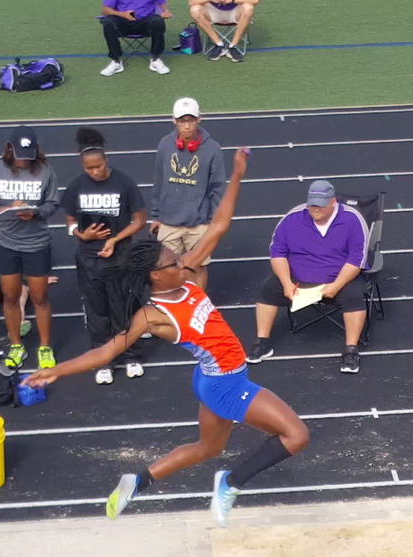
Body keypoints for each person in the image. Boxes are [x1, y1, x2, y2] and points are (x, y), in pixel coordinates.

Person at [26, 149, 310, 528]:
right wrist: (55, 371)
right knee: (296, 435)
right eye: (171, 263)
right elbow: (105, 352)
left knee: (207, 449)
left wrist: (237, 174)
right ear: (156, 278)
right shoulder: (153, 315)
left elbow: (220, 225)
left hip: (212, 380)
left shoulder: (188, 276)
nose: (181, 262)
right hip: (225, 384)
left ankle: (138, 480)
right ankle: (231, 482)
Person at [246, 180, 369, 374]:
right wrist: (286, 283)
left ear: (333, 202)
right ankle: (261, 342)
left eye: (320, 204)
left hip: (337, 278)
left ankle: (351, 350)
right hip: (297, 277)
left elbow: (357, 259)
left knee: (354, 296)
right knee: (268, 289)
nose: (315, 208)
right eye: (312, 203)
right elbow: (278, 253)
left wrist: (336, 285)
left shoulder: (353, 220)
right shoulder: (292, 218)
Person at [62, 127, 148, 385]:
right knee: (97, 310)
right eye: (89, 168)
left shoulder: (124, 183)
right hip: (89, 259)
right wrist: (80, 233)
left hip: (120, 257)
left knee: (125, 307)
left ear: (106, 160)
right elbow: (68, 220)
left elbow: (140, 220)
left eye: (98, 166)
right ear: (83, 166)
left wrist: (114, 239)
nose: (95, 171)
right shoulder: (76, 186)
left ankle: (131, 355)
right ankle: (104, 360)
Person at [0, 125, 60, 370]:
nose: (24, 161)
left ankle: (45, 347)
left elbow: (52, 205)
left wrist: (35, 212)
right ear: (10, 149)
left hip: (36, 243)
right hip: (6, 243)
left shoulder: (46, 171)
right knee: (10, 297)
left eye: (28, 155)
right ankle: (16, 345)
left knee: (39, 297)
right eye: (19, 155)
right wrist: (10, 209)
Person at [151, 97, 226, 291]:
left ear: (199, 119)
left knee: (199, 267)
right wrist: (156, 215)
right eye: (182, 121)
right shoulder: (164, 145)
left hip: (199, 223)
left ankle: (199, 304)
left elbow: (218, 188)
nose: (186, 126)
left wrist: (214, 222)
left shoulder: (212, 149)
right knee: (163, 267)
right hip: (169, 221)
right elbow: (159, 181)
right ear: (174, 121)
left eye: (190, 120)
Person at [0, 214, 58, 335]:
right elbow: (39, 250)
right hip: (13, 276)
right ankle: (18, 326)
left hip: (1, 275)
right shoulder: (30, 220)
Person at [100, 0, 173, 77]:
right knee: (108, 22)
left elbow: (162, 3)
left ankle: (156, 59)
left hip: (145, 22)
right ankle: (116, 61)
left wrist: (166, 11)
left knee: (158, 21)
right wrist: (122, 14)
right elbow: (105, 10)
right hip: (123, 22)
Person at [188, 0, 258, 62]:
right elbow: (191, 2)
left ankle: (233, 46)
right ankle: (219, 44)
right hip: (212, 11)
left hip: (236, 11)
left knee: (248, 8)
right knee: (195, 10)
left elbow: (255, 1)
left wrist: (232, 0)